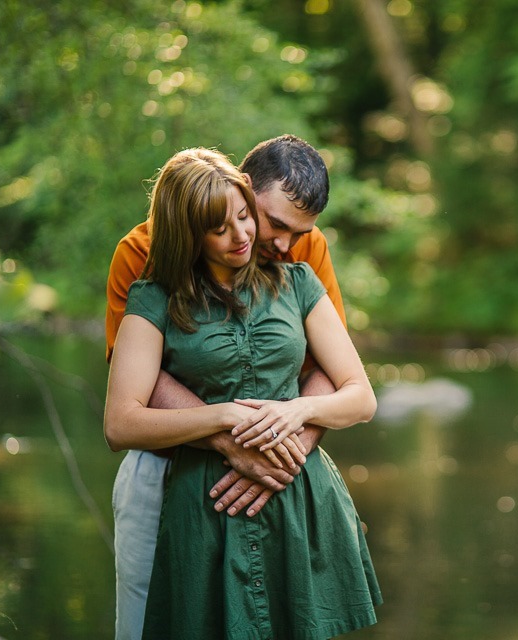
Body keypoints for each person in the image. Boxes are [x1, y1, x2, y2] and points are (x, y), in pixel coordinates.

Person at [104, 147, 381, 638]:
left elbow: (341, 379)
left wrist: (283, 443)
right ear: (249, 189)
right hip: (176, 470)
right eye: (272, 222)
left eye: (301, 230)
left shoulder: (298, 261)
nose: (279, 241)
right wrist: (230, 429)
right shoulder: (143, 260)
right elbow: (132, 398)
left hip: (284, 474)